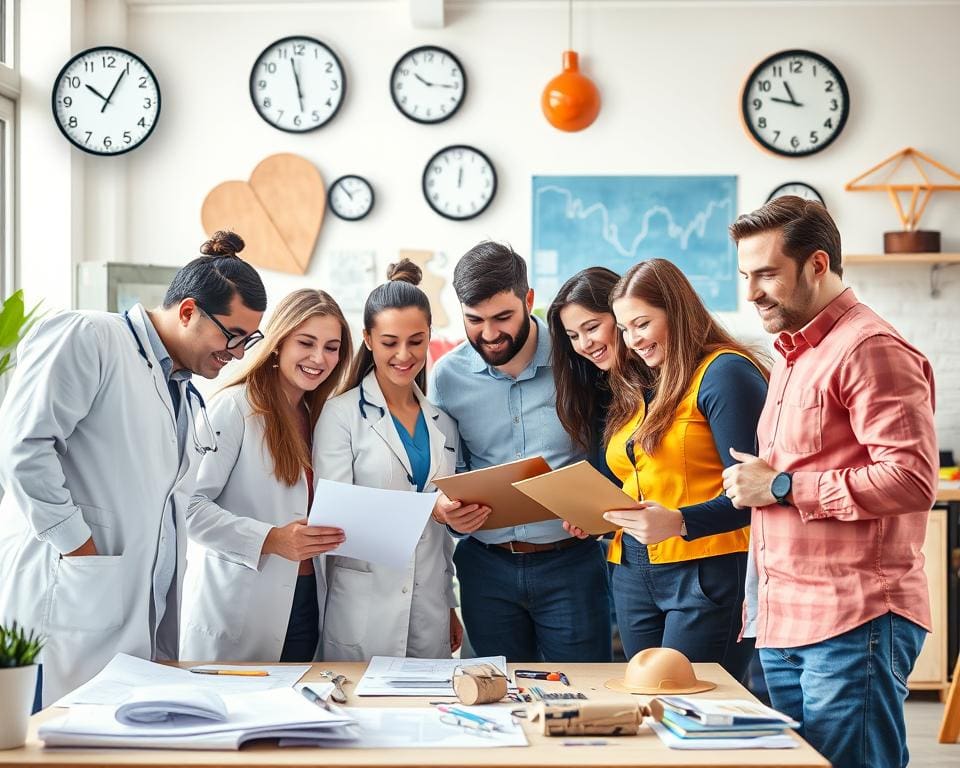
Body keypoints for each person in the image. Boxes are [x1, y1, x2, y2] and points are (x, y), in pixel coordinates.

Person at [0, 230, 266, 705]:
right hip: (69, 598)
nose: (239, 353)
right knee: (52, 734)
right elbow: (23, 448)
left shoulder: (179, 387)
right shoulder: (90, 336)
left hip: (131, 615)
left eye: (250, 340)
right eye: (234, 336)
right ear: (188, 311)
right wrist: (79, 550)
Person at [724, 197, 938, 768]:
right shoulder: (795, 354)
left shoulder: (869, 348)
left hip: (853, 621)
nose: (752, 293)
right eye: (746, 275)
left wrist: (781, 487)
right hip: (785, 619)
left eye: (767, 273)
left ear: (818, 265)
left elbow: (912, 479)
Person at [573, 258, 767, 682]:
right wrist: (593, 512)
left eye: (642, 324)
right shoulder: (644, 383)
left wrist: (679, 522)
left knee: (691, 707)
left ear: (676, 311)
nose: (633, 340)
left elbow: (758, 496)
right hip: (631, 571)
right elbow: (639, 477)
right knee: (648, 704)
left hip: (708, 570)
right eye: (624, 329)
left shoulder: (724, 373)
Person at [430, 241, 612, 662]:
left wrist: (599, 511)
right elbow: (449, 470)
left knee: (584, 698)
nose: (489, 334)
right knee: (492, 701)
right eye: (474, 320)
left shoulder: (579, 359)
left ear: (528, 300)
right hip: (484, 569)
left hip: (571, 564)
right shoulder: (446, 378)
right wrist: (446, 510)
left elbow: (615, 454)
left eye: (502, 317)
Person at [181, 289, 352, 663]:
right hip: (241, 607)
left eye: (331, 347)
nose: (318, 358)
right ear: (278, 343)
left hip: (308, 602)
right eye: (306, 343)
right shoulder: (233, 407)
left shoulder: (321, 417)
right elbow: (188, 508)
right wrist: (271, 539)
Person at [314, 260, 467, 660]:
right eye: (389, 342)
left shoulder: (443, 423)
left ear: (430, 336)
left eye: (417, 341)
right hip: (364, 608)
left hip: (429, 606)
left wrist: (449, 601)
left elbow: (441, 539)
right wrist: (429, 509)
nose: (404, 354)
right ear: (367, 338)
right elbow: (335, 515)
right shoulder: (340, 415)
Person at [546, 267, 624, 482]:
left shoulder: (667, 381)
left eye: (591, 327)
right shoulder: (599, 391)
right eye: (573, 336)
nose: (584, 344)